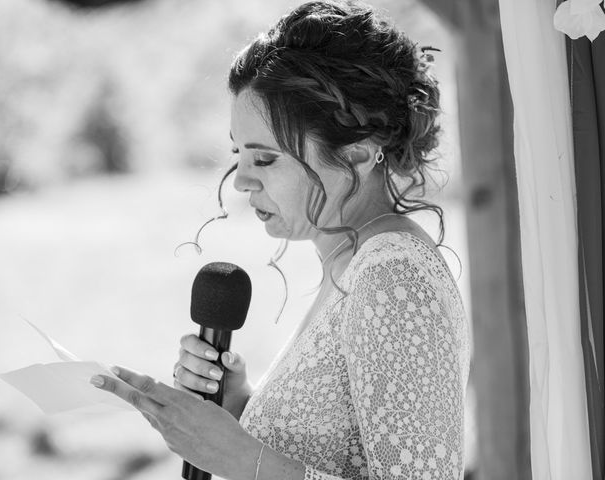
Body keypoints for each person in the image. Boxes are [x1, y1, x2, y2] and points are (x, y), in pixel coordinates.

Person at [89, 1, 470, 479]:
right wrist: (238, 406)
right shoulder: (352, 265)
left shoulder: (394, 279)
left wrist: (237, 456)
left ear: (355, 154)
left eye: (265, 159)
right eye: (239, 154)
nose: (241, 182)